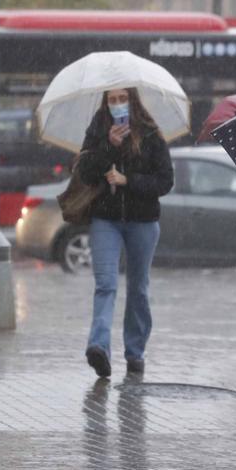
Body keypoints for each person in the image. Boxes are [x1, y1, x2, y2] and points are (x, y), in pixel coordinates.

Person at [77, 87, 173, 378]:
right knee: (105, 284)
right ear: (106, 103)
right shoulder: (98, 129)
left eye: (122, 98)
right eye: (112, 99)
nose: (118, 104)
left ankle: (135, 352)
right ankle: (99, 347)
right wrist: (108, 146)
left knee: (138, 289)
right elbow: (85, 171)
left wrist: (127, 180)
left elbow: (165, 181)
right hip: (105, 220)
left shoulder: (151, 134)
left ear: (133, 100)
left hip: (142, 222)